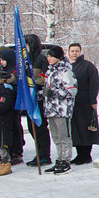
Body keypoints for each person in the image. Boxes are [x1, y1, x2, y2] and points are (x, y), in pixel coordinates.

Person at [43, 45, 78, 175]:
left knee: (64, 136)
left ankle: (66, 160)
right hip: (51, 109)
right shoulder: (50, 72)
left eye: (52, 56)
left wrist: (53, 93)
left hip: (62, 109)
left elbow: (72, 90)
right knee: (56, 136)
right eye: (48, 56)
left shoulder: (65, 71)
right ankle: (59, 158)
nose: (49, 58)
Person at [68, 43, 99, 165]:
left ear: (80, 51)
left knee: (85, 129)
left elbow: (94, 84)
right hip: (73, 103)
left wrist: (92, 100)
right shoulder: (68, 67)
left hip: (85, 103)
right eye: (72, 51)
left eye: (77, 51)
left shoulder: (88, 66)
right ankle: (79, 153)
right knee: (76, 129)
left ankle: (86, 154)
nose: (74, 53)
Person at [24, 34, 52, 167]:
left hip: (39, 97)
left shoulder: (41, 59)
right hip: (29, 98)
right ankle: (39, 152)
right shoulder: (26, 59)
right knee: (31, 126)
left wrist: (32, 82)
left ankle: (44, 154)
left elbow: (47, 78)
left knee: (40, 127)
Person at [0, 48, 24, 164]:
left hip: (14, 103)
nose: (1, 62)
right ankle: (11, 150)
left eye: (3, 60)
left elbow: (18, 86)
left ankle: (17, 152)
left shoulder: (15, 71)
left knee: (15, 127)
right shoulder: (4, 70)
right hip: (6, 103)